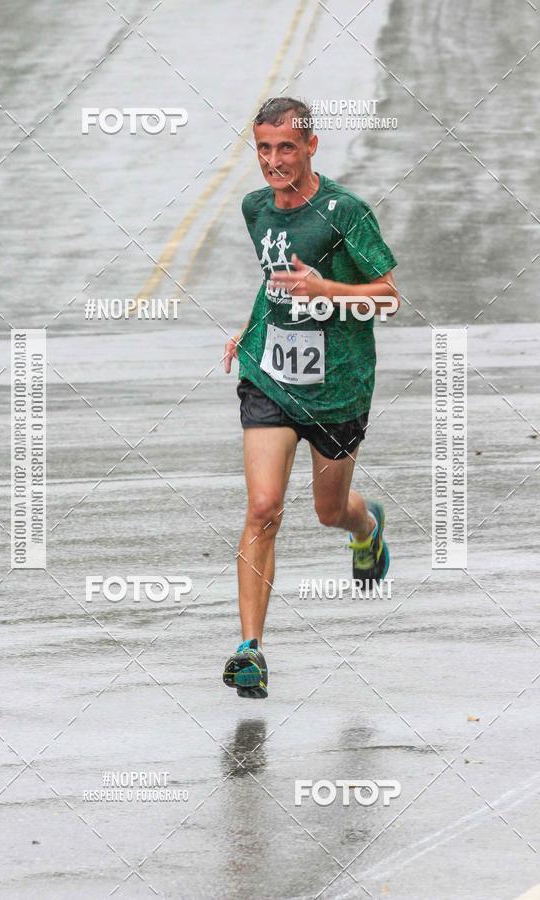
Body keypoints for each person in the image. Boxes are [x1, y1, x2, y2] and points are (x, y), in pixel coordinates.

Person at [222, 97, 399, 699]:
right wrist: (249, 330)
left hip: (339, 385)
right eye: (264, 148)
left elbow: (389, 296)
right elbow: (271, 283)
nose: (274, 161)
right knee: (263, 507)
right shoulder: (255, 208)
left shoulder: (345, 211)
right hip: (269, 376)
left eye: (287, 148)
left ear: (311, 146)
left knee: (330, 510)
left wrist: (326, 288)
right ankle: (250, 650)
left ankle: (365, 525)